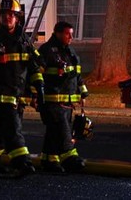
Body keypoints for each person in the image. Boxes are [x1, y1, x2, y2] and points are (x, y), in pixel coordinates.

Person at [0, 0, 44, 176]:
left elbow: (33, 66)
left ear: (17, 18)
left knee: (4, 129)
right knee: (12, 129)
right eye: (3, 14)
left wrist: (39, 87)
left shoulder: (24, 40)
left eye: (10, 14)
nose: (6, 17)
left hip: (18, 95)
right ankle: (22, 162)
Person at [36, 21, 89, 173]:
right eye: (67, 34)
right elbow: (37, 75)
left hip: (67, 102)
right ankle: (70, 156)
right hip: (52, 102)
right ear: (57, 33)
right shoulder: (46, 51)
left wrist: (83, 92)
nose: (71, 37)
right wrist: (35, 95)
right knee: (63, 130)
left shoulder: (71, 52)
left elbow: (77, 75)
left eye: (71, 34)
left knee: (53, 131)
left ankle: (49, 160)